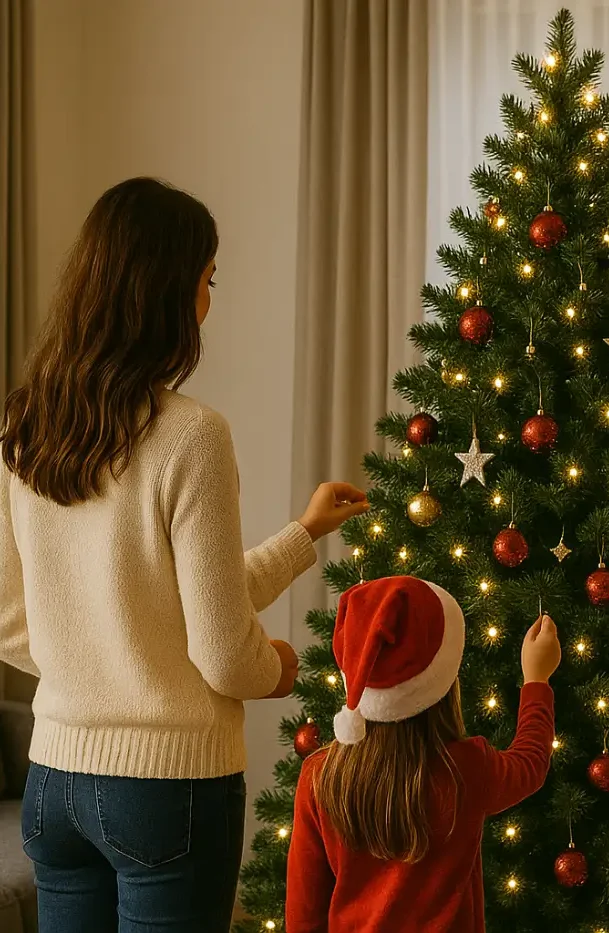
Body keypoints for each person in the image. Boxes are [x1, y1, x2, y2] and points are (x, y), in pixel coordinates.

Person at [0, 177, 368, 933]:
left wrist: (303, 532)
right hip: (165, 788)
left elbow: (17, 620)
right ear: (163, 291)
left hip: (53, 783)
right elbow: (221, 652)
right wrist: (280, 670)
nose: (208, 301)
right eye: (206, 280)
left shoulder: (24, 422)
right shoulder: (192, 433)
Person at [285, 575, 560, 933]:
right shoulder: (466, 767)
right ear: (443, 681)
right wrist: (537, 679)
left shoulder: (320, 775)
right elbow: (531, 763)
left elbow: (304, 916)